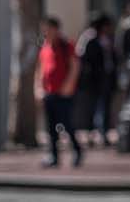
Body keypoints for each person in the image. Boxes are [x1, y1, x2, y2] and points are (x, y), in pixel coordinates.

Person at [37, 17, 83, 168]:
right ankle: (54, 156)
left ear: (56, 29)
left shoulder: (66, 45)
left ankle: (77, 150)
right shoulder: (44, 47)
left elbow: (75, 66)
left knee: (66, 124)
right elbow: (40, 70)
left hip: (64, 93)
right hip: (49, 93)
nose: (46, 32)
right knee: (51, 127)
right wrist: (38, 88)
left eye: (49, 29)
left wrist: (68, 86)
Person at [75, 13, 117, 148]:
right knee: (91, 107)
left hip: (106, 78)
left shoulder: (107, 38)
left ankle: (102, 133)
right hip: (92, 80)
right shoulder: (89, 38)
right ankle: (91, 134)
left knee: (104, 107)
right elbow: (83, 60)